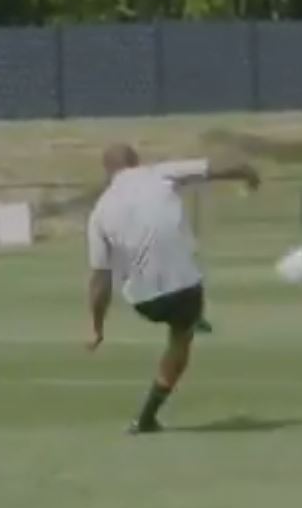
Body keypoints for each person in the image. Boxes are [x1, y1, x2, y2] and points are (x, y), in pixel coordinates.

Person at [85, 143, 260, 434]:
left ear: (108, 172)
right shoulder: (159, 173)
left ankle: (147, 419)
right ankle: (146, 417)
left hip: (144, 302)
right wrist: (246, 171)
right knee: (180, 336)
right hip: (187, 293)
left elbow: (99, 278)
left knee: (160, 276)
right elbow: (212, 168)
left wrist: (96, 327)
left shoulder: (99, 212)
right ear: (136, 161)